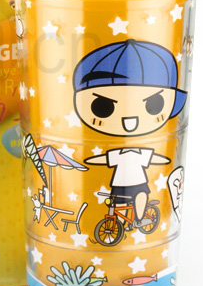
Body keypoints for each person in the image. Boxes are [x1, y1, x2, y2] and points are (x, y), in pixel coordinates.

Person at [73, 39, 187, 228]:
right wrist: (86, 162)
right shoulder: (117, 154)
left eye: (154, 104)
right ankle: (118, 226)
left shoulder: (141, 152)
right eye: (103, 106)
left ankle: (140, 218)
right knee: (116, 204)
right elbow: (103, 159)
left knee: (141, 196)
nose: (129, 120)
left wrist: (166, 160)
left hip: (139, 183)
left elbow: (155, 158)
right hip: (118, 184)